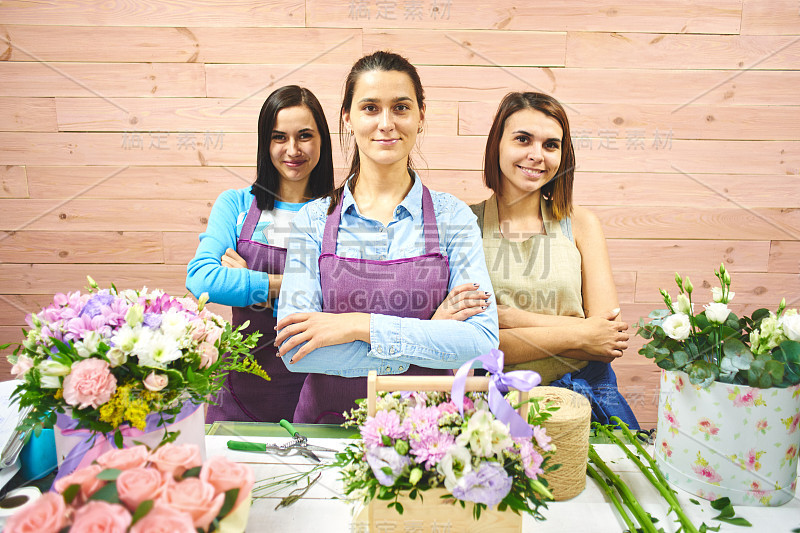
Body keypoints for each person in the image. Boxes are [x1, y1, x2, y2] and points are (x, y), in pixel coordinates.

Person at [274, 51, 499, 424]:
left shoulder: (452, 218)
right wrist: (433, 334)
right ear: (347, 118)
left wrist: (357, 325)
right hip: (327, 432)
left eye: (400, 108)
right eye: (370, 108)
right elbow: (296, 350)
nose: (386, 123)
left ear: (421, 116)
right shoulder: (312, 222)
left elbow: (480, 343)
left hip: (430, 434)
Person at [468, 92, 639, 428]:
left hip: (589, 396)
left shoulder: (582, 224)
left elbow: (608, 340)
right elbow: (474, 345)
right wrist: (582, 333)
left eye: (550, 145)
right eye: (522, 139)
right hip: (497, 405)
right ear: (497, 145)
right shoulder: (463, 224)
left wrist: (511, 319)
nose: (537, 155)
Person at [186, 85, 334, 422]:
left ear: (322, 141)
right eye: (279, 137)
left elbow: (347, 300)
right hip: (238, 396)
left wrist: (243, 281)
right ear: (265, 143)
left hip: (319, 395)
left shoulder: (341, 214)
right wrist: (298, 284)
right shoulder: (237, 204)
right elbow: (202, 280)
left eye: (305, 136)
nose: (292, 149)